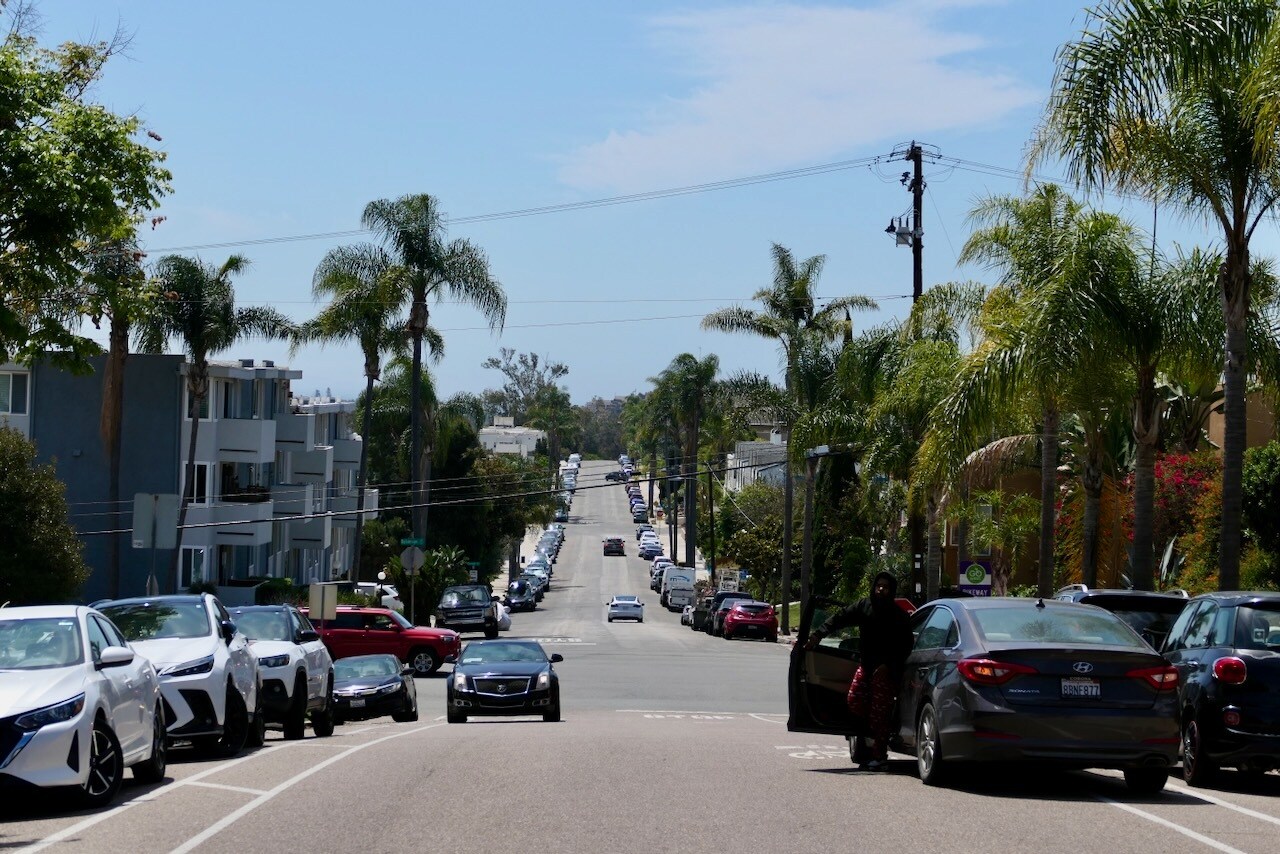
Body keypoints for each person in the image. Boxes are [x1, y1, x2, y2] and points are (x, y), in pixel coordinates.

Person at [805, 571, 913, 771]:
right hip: (866, 666)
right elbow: (840, 617)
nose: (881, 589)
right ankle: (869, 737)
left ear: (892, 591)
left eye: (886, 587)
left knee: (880, 714)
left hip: (887, 673)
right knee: (854, 700)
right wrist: (818, 635)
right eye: (878, 585)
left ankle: (880, 756)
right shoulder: (864, 606)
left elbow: (906, 645)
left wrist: (888, 665)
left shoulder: (898, 616)